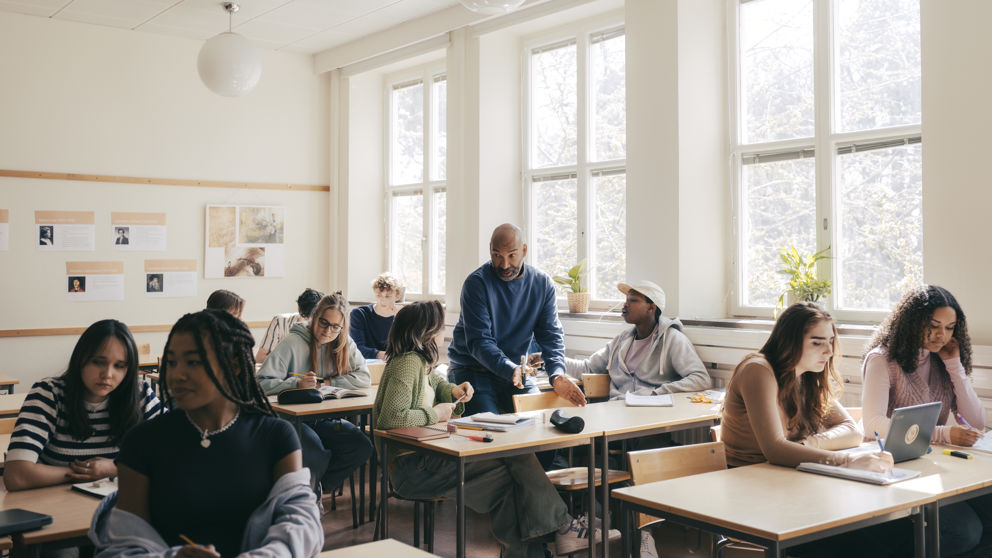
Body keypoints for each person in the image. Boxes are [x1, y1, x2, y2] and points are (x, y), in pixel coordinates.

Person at [374, 300, 614, 557]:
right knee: (512, 483)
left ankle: (548, 540)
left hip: (426, 459)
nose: (444, 331)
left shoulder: (419, 363)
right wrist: (435, 413)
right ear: (427, 332)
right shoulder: (408, 363)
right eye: (441, 326)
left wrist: (455, 389)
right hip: (411, 468)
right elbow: (391, 418)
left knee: (514, 466)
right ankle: (559, 530)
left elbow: (436, 384)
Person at [90, 310, 323, 557]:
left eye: (193, 362)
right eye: (171, 362)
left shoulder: (275, 436)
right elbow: (121, 547)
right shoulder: (143, 441)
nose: (176, 375)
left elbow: (302, 523)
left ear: (233, 365)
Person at [721, 302, 908, 558]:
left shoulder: (808, 374)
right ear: (789, 342)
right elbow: (775, 449)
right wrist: (845, 461)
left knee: (896, 531)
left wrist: (807, 446)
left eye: (831, 341)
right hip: (751, 487)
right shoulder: (758, 369)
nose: (829, 351)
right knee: (870, 545)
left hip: (793, 480)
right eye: (817, 342)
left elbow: (850, 430)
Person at [863, 285, 992, 557]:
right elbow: (873, 424)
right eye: (933, 326)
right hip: (892, 469)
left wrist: (954, 366)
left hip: (935, 467)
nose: (940, 336)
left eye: (949, 328)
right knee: (965, 532)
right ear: (912, 323)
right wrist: (943, 433)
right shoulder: (882, 359)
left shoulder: (942, 360)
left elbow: (977, 420)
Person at [5, 319, 162, 491]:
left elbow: (177, 454)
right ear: (81, 359)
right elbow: (16, 475)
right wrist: (88, 473)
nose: (108, 374)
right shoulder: (48, 394)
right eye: (98, 362)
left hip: (116, 506)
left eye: (119, 366)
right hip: (53, 506)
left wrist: (114, 468)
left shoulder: (140, 394)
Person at [448, 223, 586, 416]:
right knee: (490, 430)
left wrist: (556, 374)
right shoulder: (476, 284)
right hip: (473, 371)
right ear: (490, 250)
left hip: (515, 373)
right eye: (497, 255)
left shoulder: (542, 284)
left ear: (524, 250)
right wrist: (510, 368)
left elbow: (551, 335)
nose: (504, 265)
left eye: (511, 255)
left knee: (542, 422)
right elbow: (479, 342)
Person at [257, 293, 374, 495]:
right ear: (315, 317)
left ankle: (316, 490)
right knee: (315, 452)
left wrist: (329, 382)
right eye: (323, 323)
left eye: (335, 327)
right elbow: (261, 383)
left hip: (324, 418)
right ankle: (309, 494)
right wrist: (297, 384)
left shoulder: (345, 343)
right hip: (290, 419)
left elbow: (364, 377)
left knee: (360, 445)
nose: (328, 331)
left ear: (342, 327)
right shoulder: (293, 342)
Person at [563, 280, 710, 399]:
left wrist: (655, 393)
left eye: (633, 300)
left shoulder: (673, 339)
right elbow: (587, 368)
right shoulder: (621, 341)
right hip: (618, 411)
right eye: (626, 300)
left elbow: (701, 378)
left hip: (651, 417)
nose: (625, 304)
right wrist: (550, 359)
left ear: (651, 308)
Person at [256, 288, 323, 363]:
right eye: (305, 318)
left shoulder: (323, 328)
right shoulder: (280, 321)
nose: (307, 322)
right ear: (298, 307)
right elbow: (260, 358)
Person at [350, 272, 403, 360]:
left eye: (387, 296)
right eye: (379, 295)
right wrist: (381, 355)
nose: (382, 300)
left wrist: (399, 320)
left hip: (394, 363)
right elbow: (356, 348)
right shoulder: (359, 314)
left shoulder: (402, 317)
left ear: (398, 297)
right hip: (366, 365)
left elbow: (407, 347)